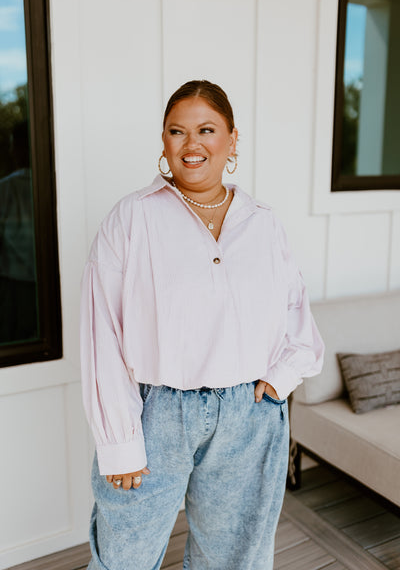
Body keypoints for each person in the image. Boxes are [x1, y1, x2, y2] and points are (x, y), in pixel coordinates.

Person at [80, 80, 324, 570]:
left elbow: (296, 310)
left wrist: (281, 377)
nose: (192, 145)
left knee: (236, 558)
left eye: (206, 130)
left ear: (232, 140)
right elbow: (100, 332)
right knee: (123, 558)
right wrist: (120, 442)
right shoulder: (132, 219)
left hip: (249, 413)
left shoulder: (263, 222)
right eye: (177, 131)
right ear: (164, 142)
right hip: (156, 414)